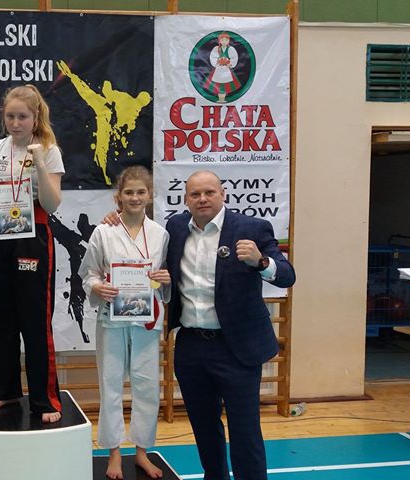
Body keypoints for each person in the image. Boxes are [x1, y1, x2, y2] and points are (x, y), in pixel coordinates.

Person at [167, 170, 295, 480]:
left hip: (236, 348)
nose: (203, 199)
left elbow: (287, 275)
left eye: (209, 192)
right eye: (195, 194)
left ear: (223, 194)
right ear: (186, 199)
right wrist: (113, 219)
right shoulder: (175, 228)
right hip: (191, 346)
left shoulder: (252, 228)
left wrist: (261, 262)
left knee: (244, 430)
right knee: (203, 427)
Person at [0, 84, 65, 423]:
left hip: (34, 232)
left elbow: (53, 203)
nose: (16, 123)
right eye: (10, 116)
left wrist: (39, 161)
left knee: (34, 318)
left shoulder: (49, 150)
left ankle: (45, 399)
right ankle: (4, 390)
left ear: (35, 116)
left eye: (23, 117)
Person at [79, 166, 170, 480]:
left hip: (146, 318)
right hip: (112, 318)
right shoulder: (103, 232)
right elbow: (88, 272)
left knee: (147, 386)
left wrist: (165, 278)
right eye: (128, 192)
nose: (134, 197)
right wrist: (96, 286)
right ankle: (114, 452)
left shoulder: (160, 234)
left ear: (150, 195)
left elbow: (165, 277)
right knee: (111, 384)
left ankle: (142, 452)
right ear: (118, 196)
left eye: (140, 192)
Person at [204, 32, 241, 103]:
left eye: (226, 40)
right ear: (219, 41)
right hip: (218, 70)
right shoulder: (216, 49)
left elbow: (234, 57)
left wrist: (230, 64)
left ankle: (223, 99)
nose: (224, 42)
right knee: (218, 84)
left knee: (225, 84)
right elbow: (213, 57)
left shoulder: (230, 49)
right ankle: (220, 99)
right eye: (222, 40)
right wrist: (216, 63)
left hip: (226, 70)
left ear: (228, 41)